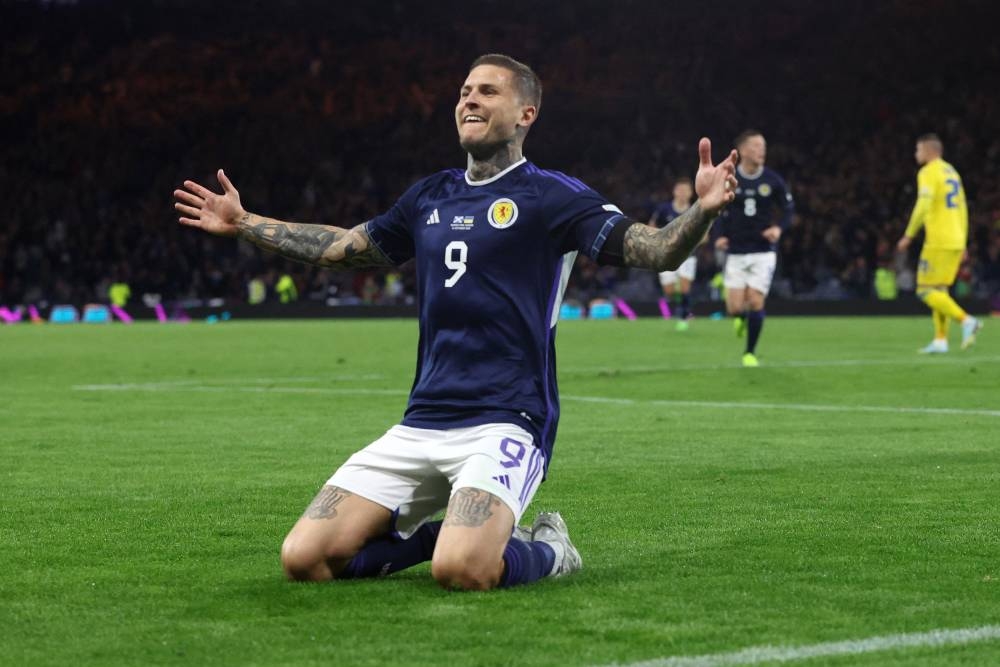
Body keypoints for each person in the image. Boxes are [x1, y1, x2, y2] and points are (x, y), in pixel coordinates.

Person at [173, 54, 738, 591]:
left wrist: (703, 211)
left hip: (507, 419)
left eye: (488, 91)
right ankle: (437, 537)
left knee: (463, 571)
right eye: (465, 92)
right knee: (305, 560)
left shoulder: (552, 196)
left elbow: (656, 250)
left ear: (526, 114)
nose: (469, 100)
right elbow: (342, 248)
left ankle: (550, 549)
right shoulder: (429, 196)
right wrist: (244, 221)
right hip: (422, 421)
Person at [713, 130, 794, 367]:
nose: (762, 150)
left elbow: (789, 209)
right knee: (735, 308)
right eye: (757, 146)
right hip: (736, 250)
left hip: (763, 250)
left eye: (764, 146)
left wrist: (778, 228)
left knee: (756, 301)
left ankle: (749, 352)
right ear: (743, 150)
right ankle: (739, 317)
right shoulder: (730, 178)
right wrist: (718, 236)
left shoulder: (773, 180)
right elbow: (717, 209)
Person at [896, 134, 982, 353]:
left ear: (928, 151)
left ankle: (967, 321)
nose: (916, 154)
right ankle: (940, 340)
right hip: (955, 238)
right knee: (940, 290)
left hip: (939, 240)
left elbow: (923, 205)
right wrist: (963, 242)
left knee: (924, 290)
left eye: (918, 149)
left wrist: (909, 234)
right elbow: (962, 209)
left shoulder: (928, 172)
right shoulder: (952, 172)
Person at [649, 177, 697, 330]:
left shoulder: (695, 210)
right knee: (669, 291)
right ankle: (683, 305)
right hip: (666, 254)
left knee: (684, 287)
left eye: (685, 190)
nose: (682, 193)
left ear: (690, 193)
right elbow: (652, 227)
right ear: (674, 191)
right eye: (680, 190)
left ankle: (684, 316)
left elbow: (704, 234)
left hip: (688, 255)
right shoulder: (663, 209)